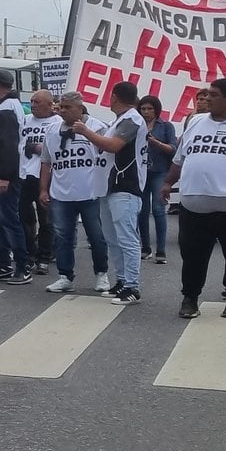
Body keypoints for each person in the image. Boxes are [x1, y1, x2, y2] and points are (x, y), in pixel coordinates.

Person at [167, 77, 226, 319]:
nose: (207, 98)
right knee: (192, 255)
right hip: (194, 206)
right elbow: (181, 158)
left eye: (213, 94)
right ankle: (190, 297)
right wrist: (168, 182)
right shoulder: (196, 122)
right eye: (207, 94)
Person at [73, 80, 147, 307]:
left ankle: (132, 286)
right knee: (113, 238)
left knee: (127, 238)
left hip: (126, 185)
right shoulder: (119, 120)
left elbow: (113, 145)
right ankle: (122, 280)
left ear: (114, 96)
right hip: (109, 185)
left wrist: (85, 131)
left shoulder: (132, 119)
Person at [40, 93, 112, 294]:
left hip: (91, 193)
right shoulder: (52, 130)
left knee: (96, 236)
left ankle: (101, 274)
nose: (62, 111)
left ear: (80, 108)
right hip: (62, 194)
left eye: (67, 107)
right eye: (60, 107)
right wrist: (43, 189)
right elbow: (46, 162)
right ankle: (65, 276)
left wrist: (86, 132)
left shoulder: (98, 127)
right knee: (63, 237)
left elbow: (109, 153)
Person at [0, 70, 32, 284]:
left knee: (8, 221)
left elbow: (9, 145)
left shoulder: (7, 109)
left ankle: (22, 266)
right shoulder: (3, 107)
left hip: (2, 175)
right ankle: (4, 266)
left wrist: (6, 176)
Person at [18, 90, 57, 270]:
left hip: (48, 177)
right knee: (24, 217)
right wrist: (33, 146)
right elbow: (19, 145)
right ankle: (29, 252)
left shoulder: (57, 123)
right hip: (25, 175)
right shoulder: (25, 121)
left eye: (38, 102)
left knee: (46, 220)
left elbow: (54, 150)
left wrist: (37, 148)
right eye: (32, 101)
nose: (33, 105)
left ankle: (44, 256)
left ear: (50, 105)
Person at [138, 96, 177, 265]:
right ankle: (145, 248)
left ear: (156, 110)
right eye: (143, 109)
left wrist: (156, 143)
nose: (146, 112)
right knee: (142, 210)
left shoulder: (166, 126)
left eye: (150, 109)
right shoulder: (136, 125)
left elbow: (173, 149)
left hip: (160, 171)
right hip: (141, 172)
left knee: (158, 209)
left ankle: (160, 250)